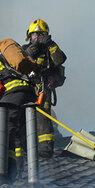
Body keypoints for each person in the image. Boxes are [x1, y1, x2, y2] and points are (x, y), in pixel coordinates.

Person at [23, 19, 67, 158]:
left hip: (43, 89)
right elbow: (19, 63)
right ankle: (24, 147)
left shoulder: (50, 50)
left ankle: (45, 150)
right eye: (35, 35)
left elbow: (59, 60)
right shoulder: (24, 49)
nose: (37, 37)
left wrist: (51, 44)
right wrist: (31, 50)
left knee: (43, 118)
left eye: (41, 34)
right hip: (26, 88)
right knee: (22, 117)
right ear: (29, 36)